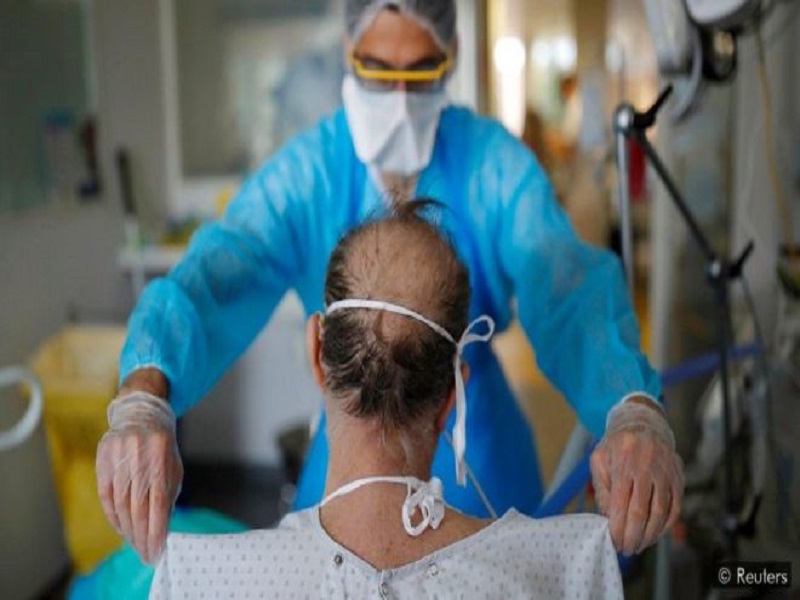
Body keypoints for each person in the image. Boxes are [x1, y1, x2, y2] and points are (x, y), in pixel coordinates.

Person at [96, 0, 684, 566]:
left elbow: (566, 284)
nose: (400, 99)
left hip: (476, 449)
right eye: (378, 73)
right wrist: (146, 393)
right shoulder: (309, 174)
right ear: (348, 52)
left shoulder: (491, 164)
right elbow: (217, 274)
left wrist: (627, 404)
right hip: (350, 450)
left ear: (451, 56)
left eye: (421, 74)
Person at [148, 202, 624, 599]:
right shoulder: (561, 571)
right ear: (453, 393)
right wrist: (633, 407)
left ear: (317, 353)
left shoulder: (203, 580)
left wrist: (142, 395)